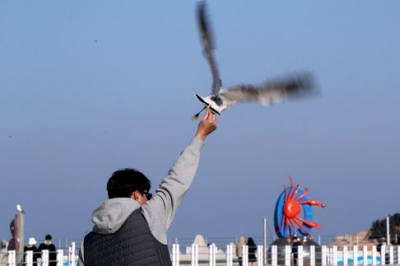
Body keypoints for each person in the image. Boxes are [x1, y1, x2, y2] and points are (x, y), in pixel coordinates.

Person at [78, 109, 217, 266]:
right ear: (136, 195)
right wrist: (200, 135)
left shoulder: (87, 244)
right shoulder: (147, 216)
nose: (149, 200)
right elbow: (176, 181)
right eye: (147, 195)